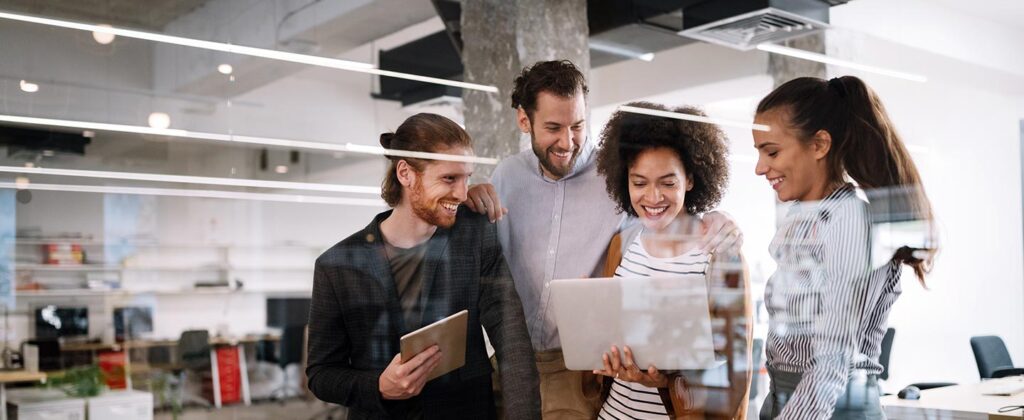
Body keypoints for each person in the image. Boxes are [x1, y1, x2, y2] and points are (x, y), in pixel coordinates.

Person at [465, 60, 743, 418]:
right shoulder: (507, 176)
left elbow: (666, 211)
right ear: (524, 120)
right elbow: (489, 265)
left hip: (576, 369)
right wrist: (466, 197)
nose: (568, 142)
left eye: (578, 126)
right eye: (553, 127)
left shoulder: (613, 177)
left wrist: (720, 217)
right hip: (509, 360)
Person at [306, 113, 541, 419]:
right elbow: (321, 374)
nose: (461, 192)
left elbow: (513, 341)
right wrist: (378, 385)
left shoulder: (474, 236)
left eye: (467, 177)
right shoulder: (336, 266)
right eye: (449, 178)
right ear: (405, 173)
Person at [752, 76, 937, 419]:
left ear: (819, 145)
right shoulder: (804, 216)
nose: (760, 167)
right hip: (791, 398)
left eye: (772, 151)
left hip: (830, 406)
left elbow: (832, 360)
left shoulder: (849, 220)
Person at [591, 102, 753, 419]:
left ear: (690, 179)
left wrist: (666, 381)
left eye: (668, 183)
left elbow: (736, 370)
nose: (653, 198)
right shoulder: (622, 245)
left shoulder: (720, 254)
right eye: (639, 183)